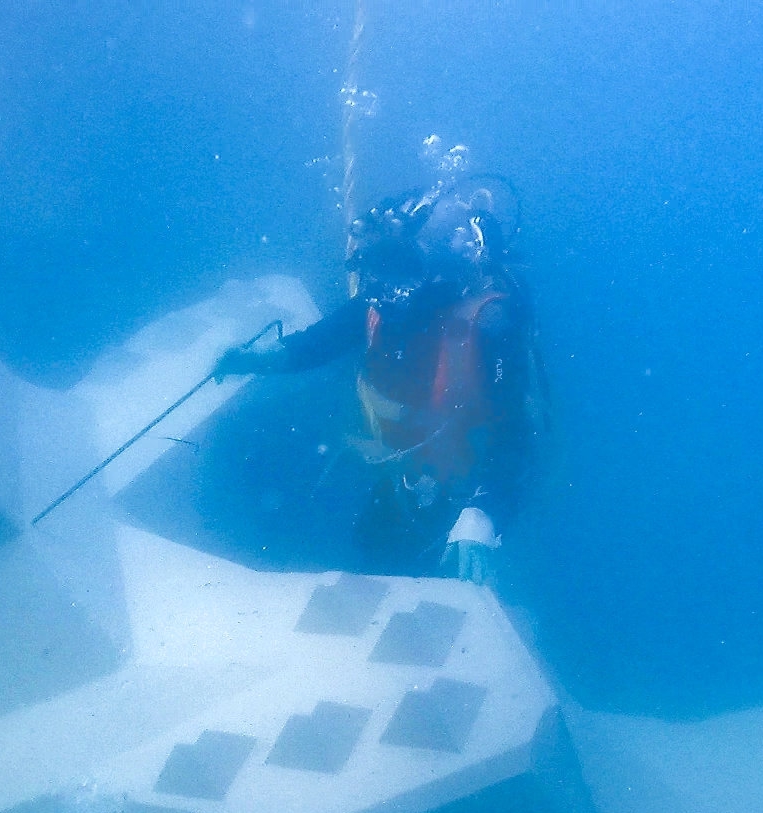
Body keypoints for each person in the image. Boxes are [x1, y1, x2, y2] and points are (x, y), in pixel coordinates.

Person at [213, 176, 548, 583]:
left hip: (458, 482)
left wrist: (484, 513)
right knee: (372, 545)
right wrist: (259, 360)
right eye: (373, 271)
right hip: (398, 463)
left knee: (426, 575)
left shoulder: (488, 327)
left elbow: (516, 438)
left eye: (398, 275)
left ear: (436, 274)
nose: (381, 291)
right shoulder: (380, 298)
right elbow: (322, 340)